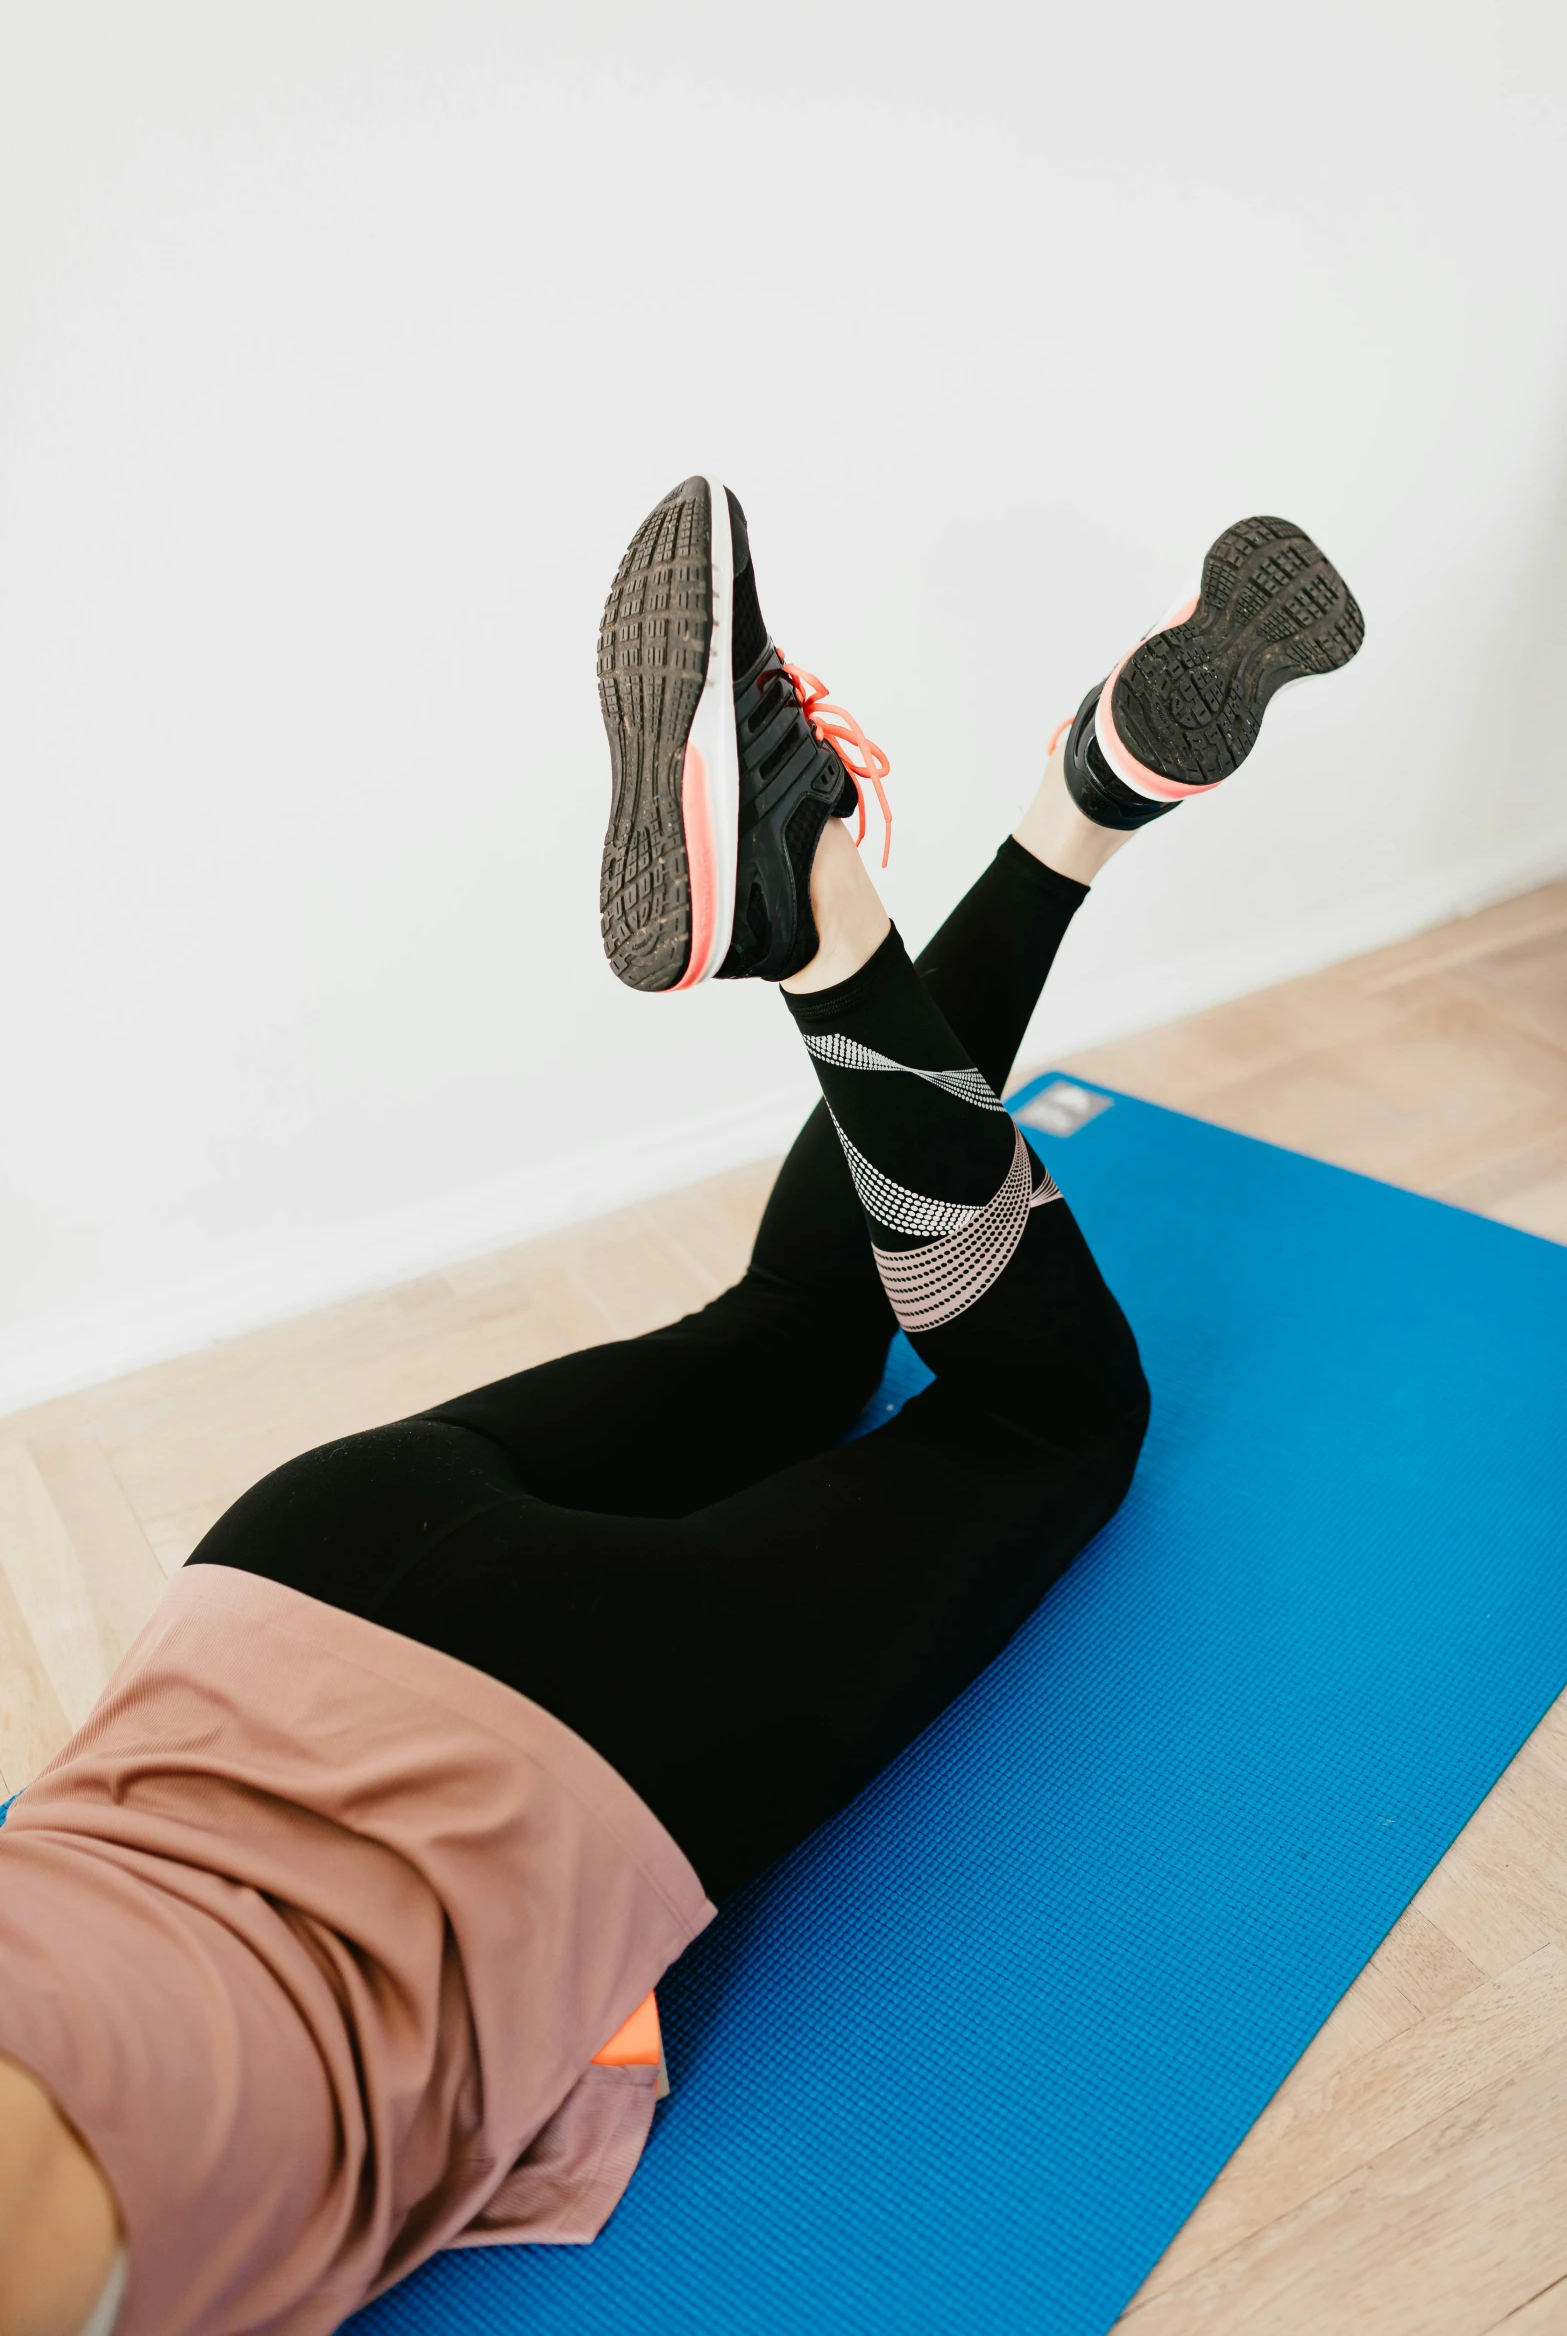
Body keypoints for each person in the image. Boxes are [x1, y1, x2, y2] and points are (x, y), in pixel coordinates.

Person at [0, 482, 1363, 2336]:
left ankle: (831, 905)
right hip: (278, 1575)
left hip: (544, 1753)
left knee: (1041, 1427)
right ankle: (1082, 801)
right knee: (800, 1320)